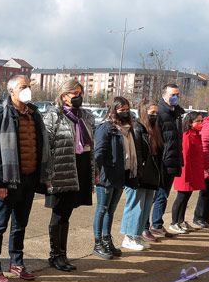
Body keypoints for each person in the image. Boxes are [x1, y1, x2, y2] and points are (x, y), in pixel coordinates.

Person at [0, 75, 45, 282]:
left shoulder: (34, 115)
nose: (27, 90)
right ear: (11, 91)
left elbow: (39, 146)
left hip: (29, 180)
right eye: (23, 87)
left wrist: (41, 177)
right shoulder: (0, 116)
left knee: (20, 224)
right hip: (8, 181)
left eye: (29, 86)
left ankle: (16, 262)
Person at [41, 79, 94, 271]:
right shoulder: (53, 115)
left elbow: (91, 146)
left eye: (80, 92)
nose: (78, 96)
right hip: (60, 171)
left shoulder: (86, 116)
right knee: (58, 215)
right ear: (64, 95)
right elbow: (46, 148)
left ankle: (63, 254)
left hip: (79, 169)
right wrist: (48, 176)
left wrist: (93, 172)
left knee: (67, 215)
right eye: (74, 93)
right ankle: (55, 255)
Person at [119, 97, 162, 250]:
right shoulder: (137, 128)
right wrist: (136, 175)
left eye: (156, 112)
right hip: (139, 175)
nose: (155, 115)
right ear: (144, 112)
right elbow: (137, 154)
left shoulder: (153, 130)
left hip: (151, 175)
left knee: (145, 207)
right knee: (135, 205)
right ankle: (128, 236)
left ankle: (137, 235)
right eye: (152, 112)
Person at [92, 97, 130, 258]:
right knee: (102, 209)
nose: (125, 112)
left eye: (127, 109)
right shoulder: (105, 128)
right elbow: (99, 152)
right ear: (114, 110)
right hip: (106, 176)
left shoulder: (125, 128)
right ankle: (98, 242)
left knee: (111, 210)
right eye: (121, 109)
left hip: (119, 176)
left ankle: (107, 239)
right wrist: (96, 174)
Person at [149, 84, 185, 236]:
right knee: (155, 195)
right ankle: (146, 226)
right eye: (172, 94)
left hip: (172, 160)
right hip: (161, 161)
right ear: (164, 95)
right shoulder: (160, 113)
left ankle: (157, 224)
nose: (175, 97)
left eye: (177, 94)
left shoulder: (176, 113)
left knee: (163, 195)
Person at [169, 111, 206, 233]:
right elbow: (185, 156)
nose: (201, 123)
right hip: (185, 172)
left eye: (202, 120)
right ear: (190, 123)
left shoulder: (196, 134)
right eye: (198, 121)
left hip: (193, 171)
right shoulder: (187, 135)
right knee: (181, 197)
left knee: (187, 197)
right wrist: (186, 173)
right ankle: (174, 222)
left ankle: (181, 220)